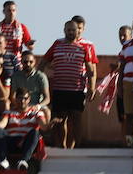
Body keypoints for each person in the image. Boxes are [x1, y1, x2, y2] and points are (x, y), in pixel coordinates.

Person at [38, 19, 96, 148]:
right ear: (64, 30)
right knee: (60, 120)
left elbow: (91, 69)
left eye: (73, 30)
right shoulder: (57, 45)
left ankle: (78, 147)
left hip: (77, 90)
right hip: (59, 89)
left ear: (77, 31)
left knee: (76, 119)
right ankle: (62, 147)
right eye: (68, 30)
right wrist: (38, 80)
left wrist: (91, 87)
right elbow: (43, 62)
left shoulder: (84, 47)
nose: (71, 32)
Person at [0, 0, 35, 74]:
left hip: (14, 64)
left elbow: (30, 47)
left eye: (13, 10)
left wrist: (30, 44)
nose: (11, 13)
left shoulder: (21, 27)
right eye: (9, 10)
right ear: (4, 11)